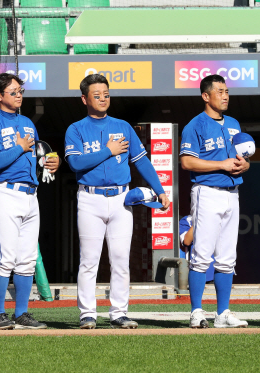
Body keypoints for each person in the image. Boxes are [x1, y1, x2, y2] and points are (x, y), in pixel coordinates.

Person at [64, 74, 170, 330]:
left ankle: (119, 312)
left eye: (106, 94)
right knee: (89, 260)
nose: (103, 98)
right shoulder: (76, 128)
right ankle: (87, 314)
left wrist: (160, 190)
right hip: (90, 198)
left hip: (122, 199)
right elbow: (75, 163)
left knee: (121, 259)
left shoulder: (123, 126)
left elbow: (141, 161)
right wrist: (108, 151)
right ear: (84, 98)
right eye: (97, 95)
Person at [0, 73, 60, 330]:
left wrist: (49, 163)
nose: (19, 95)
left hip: (30, 193)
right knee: (5, 257)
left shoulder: (27, 123)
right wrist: (19, 148)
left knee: (26, 258)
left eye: (20, 90)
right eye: (13, 91)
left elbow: (37, 156)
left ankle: (21, 313)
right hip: (4, 192)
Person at [180, 74, 249, 329]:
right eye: (219, 91)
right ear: (206, 96)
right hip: (206, 192)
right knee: (201, 256)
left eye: (227, 91)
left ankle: (222, 313)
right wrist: (221, 164)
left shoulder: (233, 123)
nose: (225, 95)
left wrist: (245, 165)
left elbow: (242, 158)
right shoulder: (195, 125)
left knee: (227, 258)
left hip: (232, 193)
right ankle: (196, 312)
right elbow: (186, 162)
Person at [178, 216, 215, 283]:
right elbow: (186, 241)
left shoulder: (219, 217)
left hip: (218, 269)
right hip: (198, 269)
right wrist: (199, 219)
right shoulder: (188, 219)